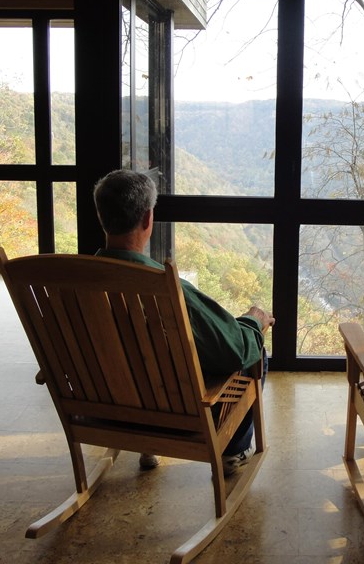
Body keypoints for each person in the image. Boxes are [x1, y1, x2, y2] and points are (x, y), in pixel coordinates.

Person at [93, 169, 274, 475]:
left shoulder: (73, 284)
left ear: (102, 217)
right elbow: (236, 351)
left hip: (105, 410)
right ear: (148, 220)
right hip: (172, 414)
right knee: (256, 352)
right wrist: (253, 321)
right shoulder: (164, 287)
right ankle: (232, 451)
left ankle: (146, 443)